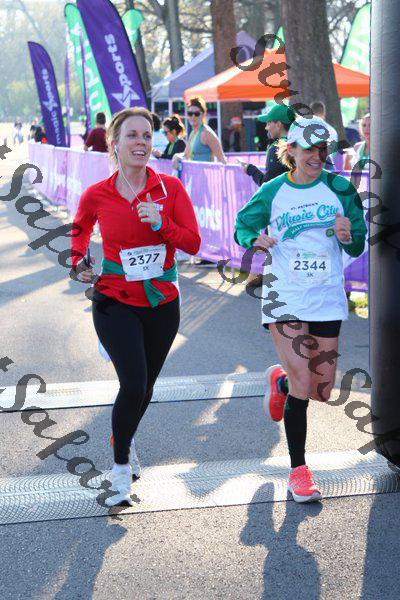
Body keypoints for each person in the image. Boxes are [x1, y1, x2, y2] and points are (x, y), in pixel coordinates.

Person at [71, 107, 201, 506]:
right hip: (113, 300)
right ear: (114, 143)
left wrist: (161, 223)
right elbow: (79, 232)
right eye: (132, 135)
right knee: (132, 383)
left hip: (161, 302)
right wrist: (78, 263)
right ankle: (120, 470)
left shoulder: (170, 189)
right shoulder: (97, 194)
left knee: (144, 387)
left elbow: (193, 243)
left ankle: (123, 437)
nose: (141, 142)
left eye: (147, 135)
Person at [234, 116, 367, 503]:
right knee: (303, 384)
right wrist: (253, 239)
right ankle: (299, 471)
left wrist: (348, 235)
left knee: (321, 390)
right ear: (290, 149)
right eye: (309, 149)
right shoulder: (273, 190)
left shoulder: (341, 189)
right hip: (285, 295)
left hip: (325, 295)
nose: (317, 156)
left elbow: (357, 243)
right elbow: (243, 224)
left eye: (322, 149)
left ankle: (279, 383)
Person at [240, 103, 296, 186]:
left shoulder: (277, 148)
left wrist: (251, 170)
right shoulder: (300, 143)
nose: (266, 128)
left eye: (269, 123)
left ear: (278, 125)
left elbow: (267, 184)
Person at [173, 96, 227, 165]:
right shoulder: (193, 133)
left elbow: (222, 159)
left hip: (206, 171)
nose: (193, 116)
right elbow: (186, 154)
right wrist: (177, 156)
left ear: (203, 114)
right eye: (190, 114)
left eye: (197, 114)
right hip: (194, 171)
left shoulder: (207, 133)